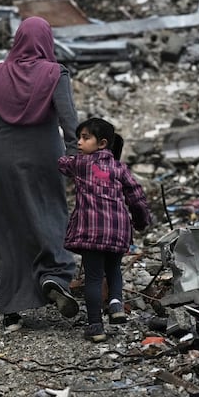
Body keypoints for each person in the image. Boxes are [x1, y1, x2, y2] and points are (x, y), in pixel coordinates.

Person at [0, 16, 80, 332]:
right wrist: (74, 163)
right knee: (50, 215)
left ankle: (11, 306)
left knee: (8, 228)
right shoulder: (55, 74)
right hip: (45, 155)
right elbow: (69, 122)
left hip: (4, 153)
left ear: (17, 40)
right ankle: (52, 276)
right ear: (46, 41)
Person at [58, 117, 152, 342]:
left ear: (101, 143)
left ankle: (95, 326)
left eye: (85, 138)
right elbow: (137, 198)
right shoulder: (120, 168)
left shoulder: (80, 164)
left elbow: (61, 163)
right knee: (114, 270)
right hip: (118, 230)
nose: (79, 142)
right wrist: (140, 222)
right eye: (79, 138)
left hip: (91, 232)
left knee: (93, 277)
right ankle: (116, 305)